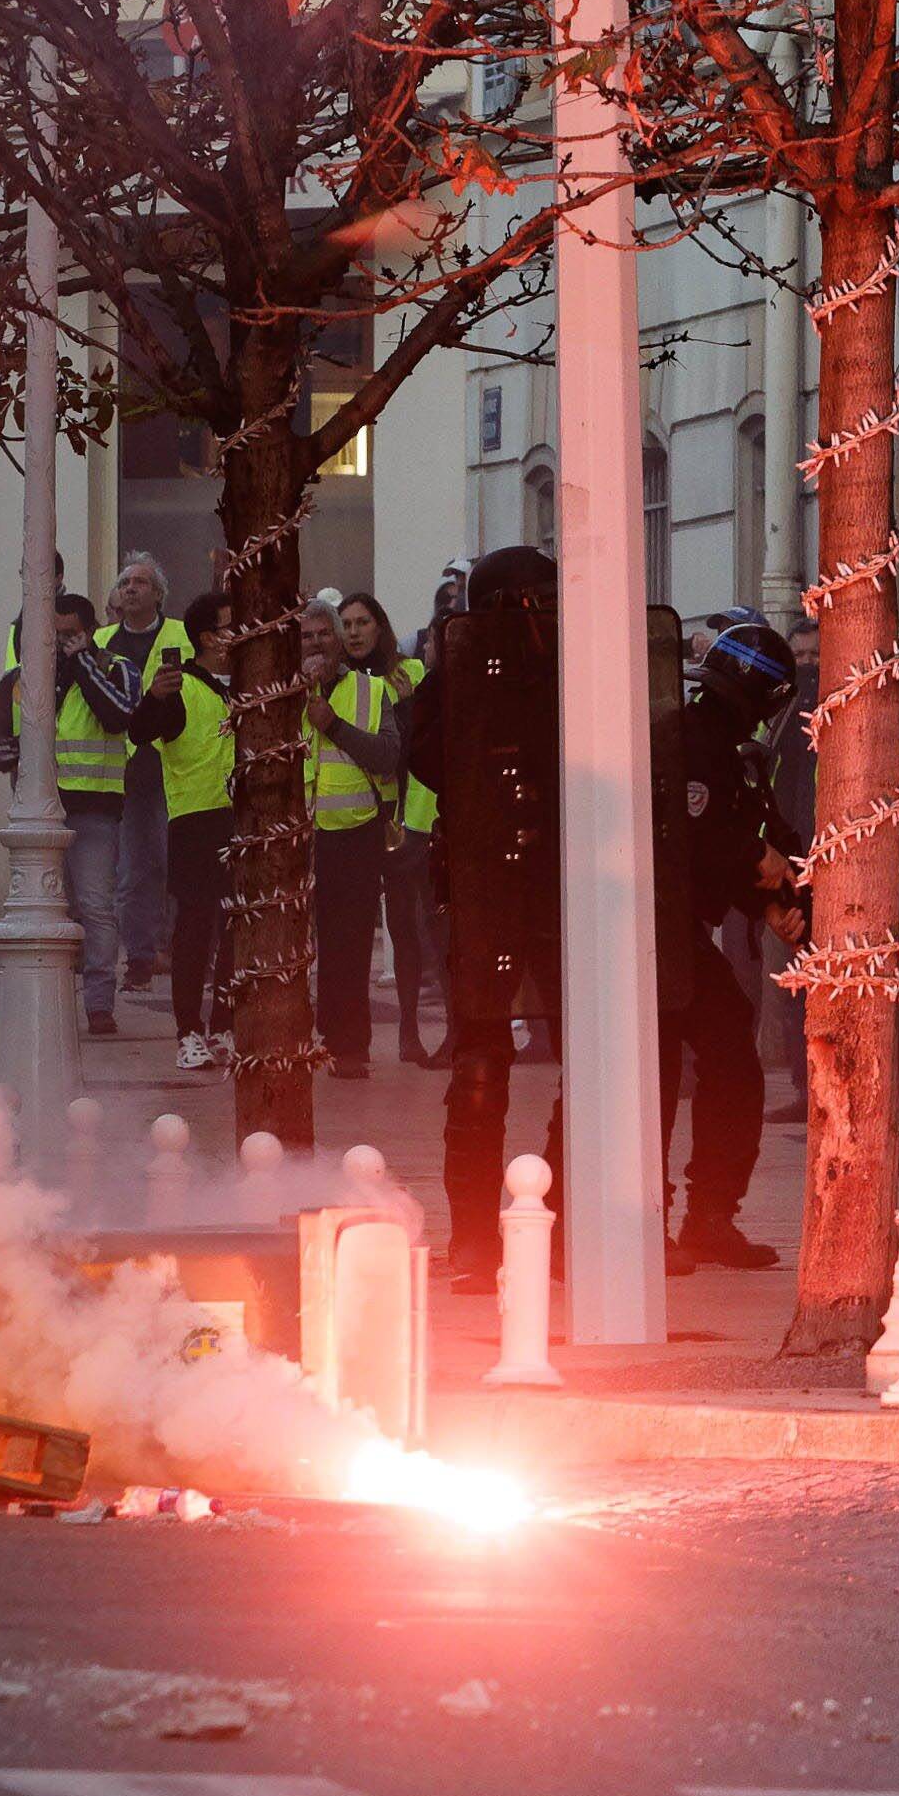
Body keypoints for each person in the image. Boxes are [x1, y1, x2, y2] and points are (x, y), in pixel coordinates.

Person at [402, 544, 557, 1275]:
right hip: (488, 877)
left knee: (588, 1059)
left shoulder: (576, 665)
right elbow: (428, 759)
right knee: (480, 1052)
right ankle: (470, 1233)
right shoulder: (456, 674)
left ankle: (564, 1225)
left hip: (559, 878)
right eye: (526, 602)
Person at [662, 613, 798, 1269]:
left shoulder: (728, 751)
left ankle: (709, 1215)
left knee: (728, 1051)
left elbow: (756, 833)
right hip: (649, 926)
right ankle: (655, 1219)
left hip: (675, 928)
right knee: (659, 1068)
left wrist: (770, 896)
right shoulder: (690, 741)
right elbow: (697, 837)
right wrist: (756, 862)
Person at [0, 588, 166, 1036]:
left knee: (97, 907)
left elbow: (121, 716)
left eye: (69, 635)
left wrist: (82, 666)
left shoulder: (116, 669)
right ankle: (43, 1006)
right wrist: (25, 757)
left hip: (93, 810)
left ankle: (99, 1004)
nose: (59, 643)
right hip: (36, 816)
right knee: (44, 912)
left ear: (90, 632)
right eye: (51, 635)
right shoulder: (19, 680)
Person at [296, 600, 405, 1080]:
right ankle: (315, 1032)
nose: (316, 642)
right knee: (303, 945)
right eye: (307, 635)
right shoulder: (284, 693)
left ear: (340, 641)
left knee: (352, 941)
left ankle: (350, 1044)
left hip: (356, 831)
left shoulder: (370, 689)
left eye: (324, 633)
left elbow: (387, 755)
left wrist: (332, 725)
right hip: (300, 832)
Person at [337, 591, 442, 1066]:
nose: (354, 631)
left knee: (409, 925)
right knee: (356, 930)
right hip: (352, 819)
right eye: (347, 624)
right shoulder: (340, 682)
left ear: (379, 626)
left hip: (404, 820)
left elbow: (418, 745)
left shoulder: (410, 674)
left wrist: (406, 703)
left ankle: (410, 1031)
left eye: (362, 622)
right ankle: (350, 1035)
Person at [94, 554, 187, 1000]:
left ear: (158, 594)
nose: (131, 588)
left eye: (141, 582)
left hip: (176, 767)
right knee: (132, 871)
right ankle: (140, 959)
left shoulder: (181, 637)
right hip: (125, 773)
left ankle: (184, 950)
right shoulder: (101, 642)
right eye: (125, 582)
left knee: (177, 864)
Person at [154, 593, 239, 1070]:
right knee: (194, 927)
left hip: (239, 819)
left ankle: (225, 1023)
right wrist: (155, 696)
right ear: (209, 637)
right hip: (193, 819)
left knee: (234, 926)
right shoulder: (183, 685)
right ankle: (188, 1031)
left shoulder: (246, 684)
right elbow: (145, 728)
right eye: (231, 625)